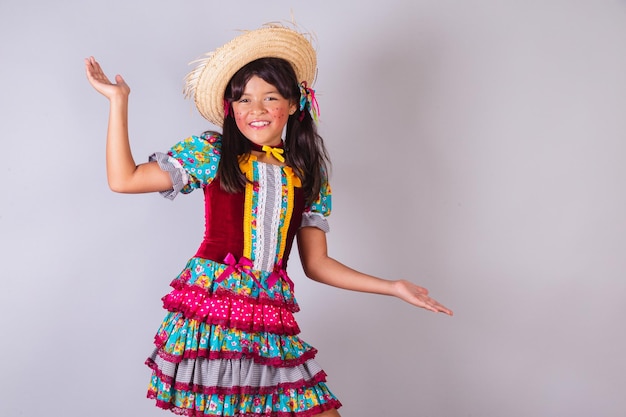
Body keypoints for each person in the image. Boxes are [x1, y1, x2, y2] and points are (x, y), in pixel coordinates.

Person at [85, 23, 452, 417]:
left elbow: (317, 264)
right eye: (242, 100)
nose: (255, 110)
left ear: (294, 103)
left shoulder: (308, 171)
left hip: (270, 318)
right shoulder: (213, 151)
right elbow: (123, 179)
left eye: (270, 97)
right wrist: (117, 101)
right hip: (216, 314)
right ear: (230, 108)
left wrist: (393, 286)